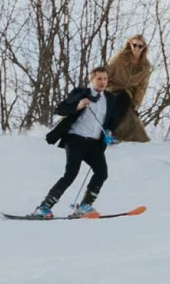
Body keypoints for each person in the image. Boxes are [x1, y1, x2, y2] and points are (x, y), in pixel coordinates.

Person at [29, 66, 138, 217]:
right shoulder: (80, 93)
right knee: (70, 174)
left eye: (105, 79)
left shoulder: (110, 99)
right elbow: (61, 109)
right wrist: (78, 105)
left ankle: (85, 206)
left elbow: (112, 120)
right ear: (92, 80)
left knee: (102, 173)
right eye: (99, 79)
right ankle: (43, 208)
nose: (102, 82)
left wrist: (109, 132)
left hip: (94, 144)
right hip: (76, 140)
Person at [103, 36, 153, 143]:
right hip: (113, 87)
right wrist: (99, 89)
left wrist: (135, 103)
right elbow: (106, 72)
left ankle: (113, 134)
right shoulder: (120, 57)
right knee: (117, 99)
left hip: (128, 93)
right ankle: (108, 129)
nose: (136, 48)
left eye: (140, 46)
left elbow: (142, 87)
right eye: (134, 45)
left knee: (129, 112)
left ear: (144, 48)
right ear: (130, 45)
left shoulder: (145, 66)